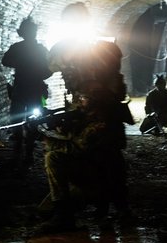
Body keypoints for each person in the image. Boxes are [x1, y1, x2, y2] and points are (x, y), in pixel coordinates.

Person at [38, 79, 130, 233]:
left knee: (53, 158)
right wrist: (62, 128)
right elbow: (77, 138)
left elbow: (77, 148)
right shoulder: (90, 117)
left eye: (83, 98)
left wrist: (48, 139)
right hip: (91, 171)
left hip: (97, 180)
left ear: (95, 101)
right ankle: (66, 212)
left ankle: (65, 217)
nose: (79, 101)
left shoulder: (101, 123)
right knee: (43, 212)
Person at [1, 16, 53, 169]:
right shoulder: (41, 49)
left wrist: (21, 63)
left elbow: (6, 61)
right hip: (34, 89)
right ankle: (27, 156)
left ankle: (19, 156)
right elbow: (50, 68)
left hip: (21, 89)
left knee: (17, 121)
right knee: (32, 122)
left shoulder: (18, 48)